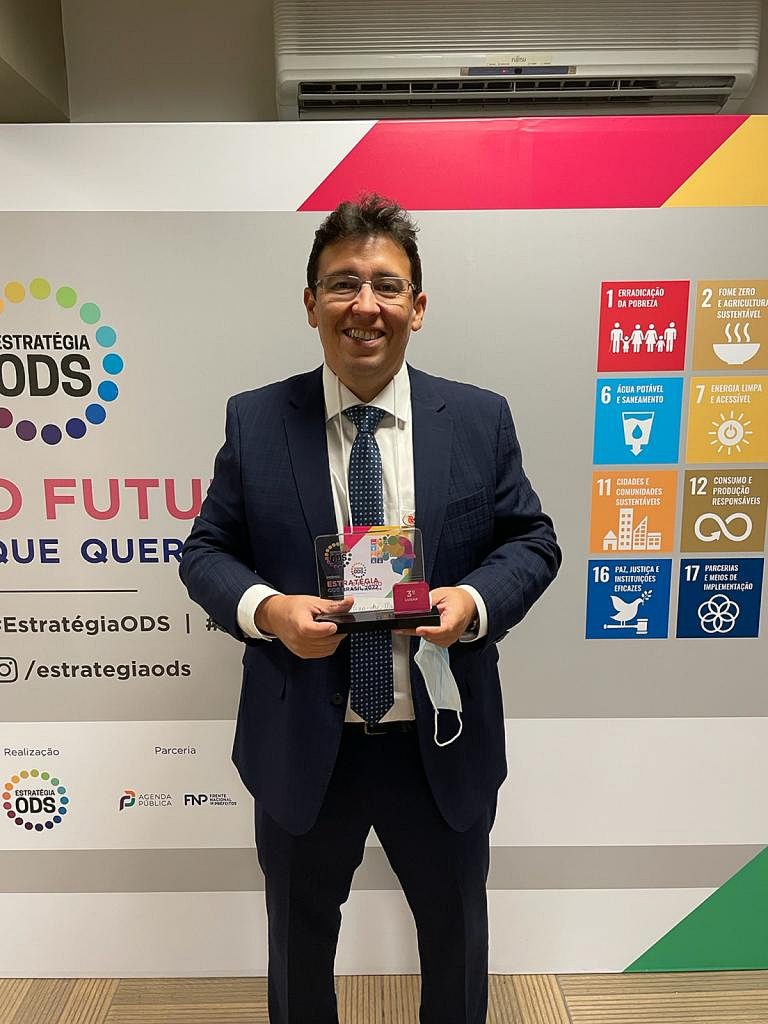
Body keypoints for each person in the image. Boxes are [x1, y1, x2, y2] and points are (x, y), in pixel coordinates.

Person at [179, 195, 561, 1024]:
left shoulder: (479, 418)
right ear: (310, 302)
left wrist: (472, 600)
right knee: (298, 950)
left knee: (456, 942)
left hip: (440, 738)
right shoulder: (256, 420)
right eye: (342, 283)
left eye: (387, 286)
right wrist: (269, 611)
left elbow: (532, 541)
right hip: (303, 741)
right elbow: (205, 552)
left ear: (417, 307)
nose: (365, 305)